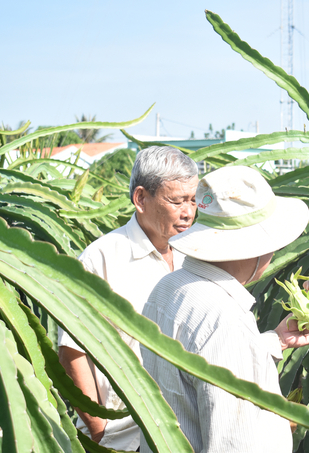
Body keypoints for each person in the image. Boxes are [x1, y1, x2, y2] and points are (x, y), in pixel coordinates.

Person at [140, 165, 309, 453]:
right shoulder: (224, 318)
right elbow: (232, 441)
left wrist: (274, 341)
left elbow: (201, 366)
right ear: (254, 247)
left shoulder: (167, 286)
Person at [57, 146, 199, 451]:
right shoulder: (102, 258)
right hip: (122, 437)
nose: (188, 212)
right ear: (140, 199)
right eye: (176, 201)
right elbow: (72, 349)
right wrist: (100, 429)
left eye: (192, 200)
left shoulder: (196, 255)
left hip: (186, 432)